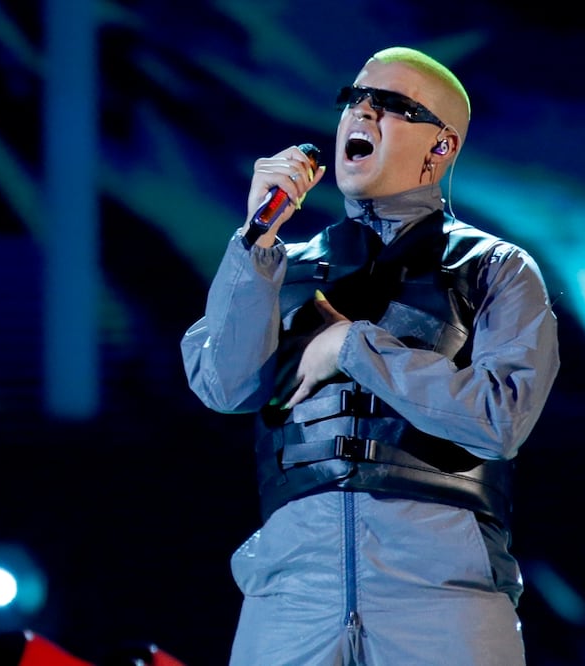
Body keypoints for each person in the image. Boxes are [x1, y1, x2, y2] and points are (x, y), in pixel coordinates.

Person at [181, 46, 560, 665]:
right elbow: (222, 385)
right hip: (291, 594)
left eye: (390, 106)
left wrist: (354, 346)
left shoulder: (496, 269)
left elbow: (502, 417)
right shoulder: (281, 265)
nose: (362, 112)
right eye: (355, 99)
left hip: (445, 595)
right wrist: (254, 240)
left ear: (441, 148)